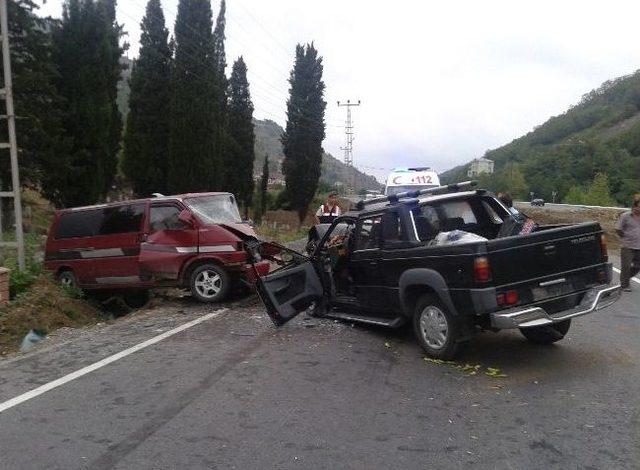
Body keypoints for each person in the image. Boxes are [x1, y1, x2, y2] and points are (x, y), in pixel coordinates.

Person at [615, 195, 640, 292]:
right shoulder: (625, 216)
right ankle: (625, 285)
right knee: (626, 266)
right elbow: (618, 229)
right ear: (634, 207)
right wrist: (625, 237)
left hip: (639, 246)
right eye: (639, 206)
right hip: (627, 246)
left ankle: (624, 278)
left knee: (638, 266)